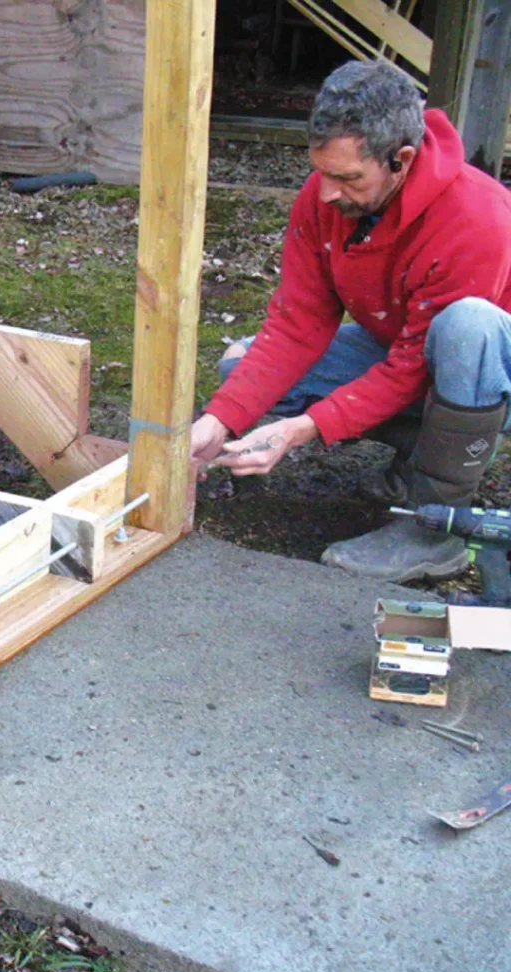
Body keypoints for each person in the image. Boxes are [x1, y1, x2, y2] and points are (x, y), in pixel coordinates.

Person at [190, 58, 511, 584]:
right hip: (412, 349)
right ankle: (418, 454)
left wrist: (297, 432)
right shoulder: (327, 200)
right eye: (321, 172)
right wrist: (219, 419)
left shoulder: (476, 219)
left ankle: (434, 533)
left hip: (490, 374)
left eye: (347, 177)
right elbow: (297, 323)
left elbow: (413, 367)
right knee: (239, 368)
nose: (325, 194)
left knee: (467, 325)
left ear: (401, 160)